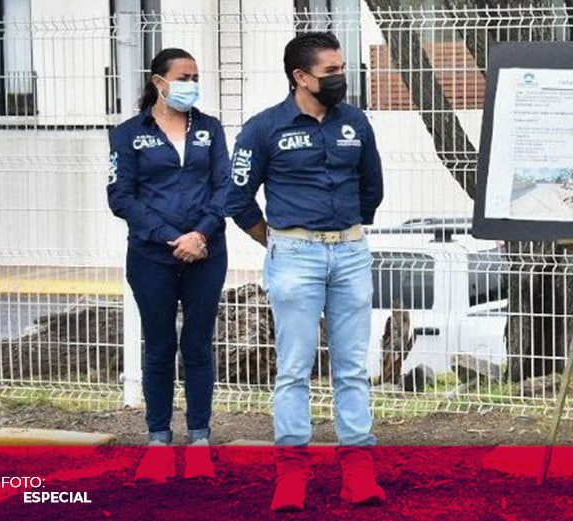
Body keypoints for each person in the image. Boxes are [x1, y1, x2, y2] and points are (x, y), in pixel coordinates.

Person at [225, 32, 384, 511]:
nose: (340, 78)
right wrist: (277, 241)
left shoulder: (355, 122)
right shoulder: (264, 128)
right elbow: (237, 196)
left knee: (353, 369)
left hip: (351, 252)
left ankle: (358, 473)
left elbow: (372, 188)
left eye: (341, 69)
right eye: (330, 71)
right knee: (294, 369)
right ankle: (291, 475)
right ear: (300, 77)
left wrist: (345, 229)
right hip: (294, 255)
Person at [107, 48, 229, 482]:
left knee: (197, 346)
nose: (191, 84)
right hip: (151, 256)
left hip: (206, 253)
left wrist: (200, 235)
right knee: (158, 346)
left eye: (195, 77)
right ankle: (158, 438)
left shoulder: (210, 129)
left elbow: (225, 188)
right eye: (183, 77)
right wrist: (169, 237)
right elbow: (121, 197)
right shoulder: (128, 134)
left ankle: (199, 439)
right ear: (159, 82)